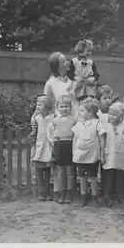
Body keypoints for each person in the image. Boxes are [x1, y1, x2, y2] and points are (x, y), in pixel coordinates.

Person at [43, 51, 78, 199]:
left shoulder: (74, 83)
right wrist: (51, 120)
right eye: (63, 61)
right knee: (59, 161)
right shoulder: (51, 83)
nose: (67, 63)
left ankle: (71, 190)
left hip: (74, 122)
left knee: (72, 159)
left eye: (66, 60)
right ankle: (58, 190)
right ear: (57, 66)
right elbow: (47, 102)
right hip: (58, 124)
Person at [72, 98, 106, 207]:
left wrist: (102, 154)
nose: (79, 113)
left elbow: (102, 139)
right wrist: (74, 152)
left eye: (82, 111)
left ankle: (94, 196)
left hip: (92, 156)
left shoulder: (97, 124)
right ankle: (83, 196)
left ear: (90, 113)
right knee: (82, 177)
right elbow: (75, 138)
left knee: (93, 177)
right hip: (80, 155)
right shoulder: (79, 124)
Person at [102, 102, 124, 207]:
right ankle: (107, 195)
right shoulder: (106, 126)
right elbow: (102, 141)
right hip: (109, 155)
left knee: (120, 176)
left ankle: (120, 195)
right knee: (109, 175)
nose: (111, 116)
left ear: (120, 116)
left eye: (114, 114)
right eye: (110, 114)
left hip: (121, 155)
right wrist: (102, 154)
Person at [49, 95, 76, 204]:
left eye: (66, 106)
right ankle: (61, 192)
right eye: (61, 106)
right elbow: (50, 132)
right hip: (59, 145)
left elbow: (77, 133)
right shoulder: (55, 120)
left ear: (70, 107)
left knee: (69, 172)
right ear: (57, 107)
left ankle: (69, 193)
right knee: (60, 172)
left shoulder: (73, 120)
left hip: (70, 145)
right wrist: (53, 140)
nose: (64, 109)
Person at [28, 95, 55, 201]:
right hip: (39, 147)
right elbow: (33, 130)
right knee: (39, 170)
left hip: (48, 146)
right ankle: (40, 192)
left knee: (47, 171)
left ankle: (47, 191)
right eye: (37, 104)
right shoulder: (36, 119)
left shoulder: (52, 118)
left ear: (47, 106)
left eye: (40, 105)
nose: (37, 107)